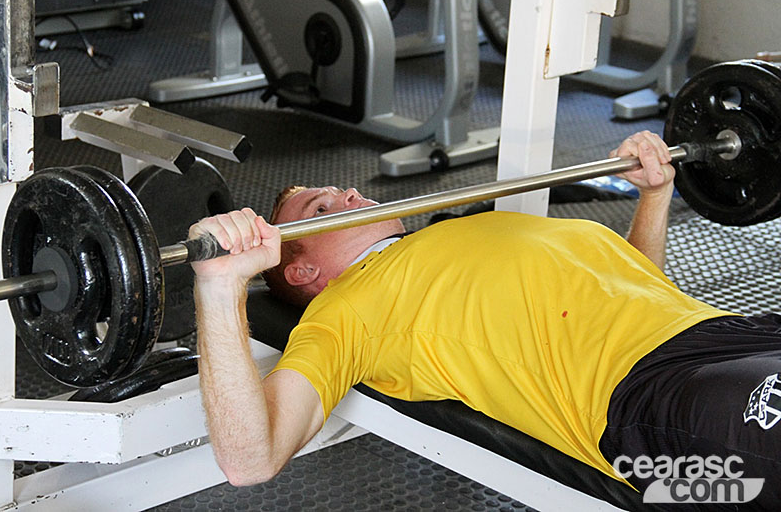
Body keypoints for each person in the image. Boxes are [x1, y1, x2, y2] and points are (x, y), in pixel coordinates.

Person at [190, 131, 781, 506]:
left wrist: (652, 195)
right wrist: (220, 288)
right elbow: (251, 459)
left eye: (338, 191)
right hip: (647, 408)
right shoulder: (345, 315)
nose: (348, 194)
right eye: (321, 208)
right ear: (300, 273)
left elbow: (635, 284)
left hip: (721, 332)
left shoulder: (464, 229)